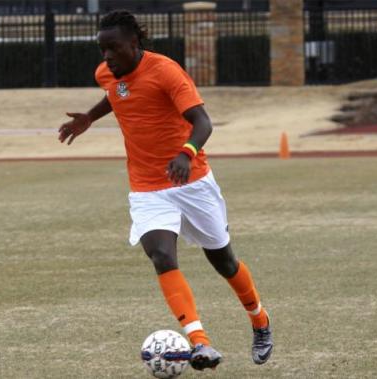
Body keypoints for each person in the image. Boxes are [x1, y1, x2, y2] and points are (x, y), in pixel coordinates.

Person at [58, 10, 273, 371]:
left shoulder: (167, 71)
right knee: (161, 255)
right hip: (147, 187)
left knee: (224, 261)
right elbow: (117, 94)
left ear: (134, 43)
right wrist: (89, 118)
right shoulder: (106, 74)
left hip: (192, 182)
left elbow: (203, 122)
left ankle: (260, 320)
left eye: (113, 48)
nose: (106, 57)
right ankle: (200, 343)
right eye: (102, 49)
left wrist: (186, 153)